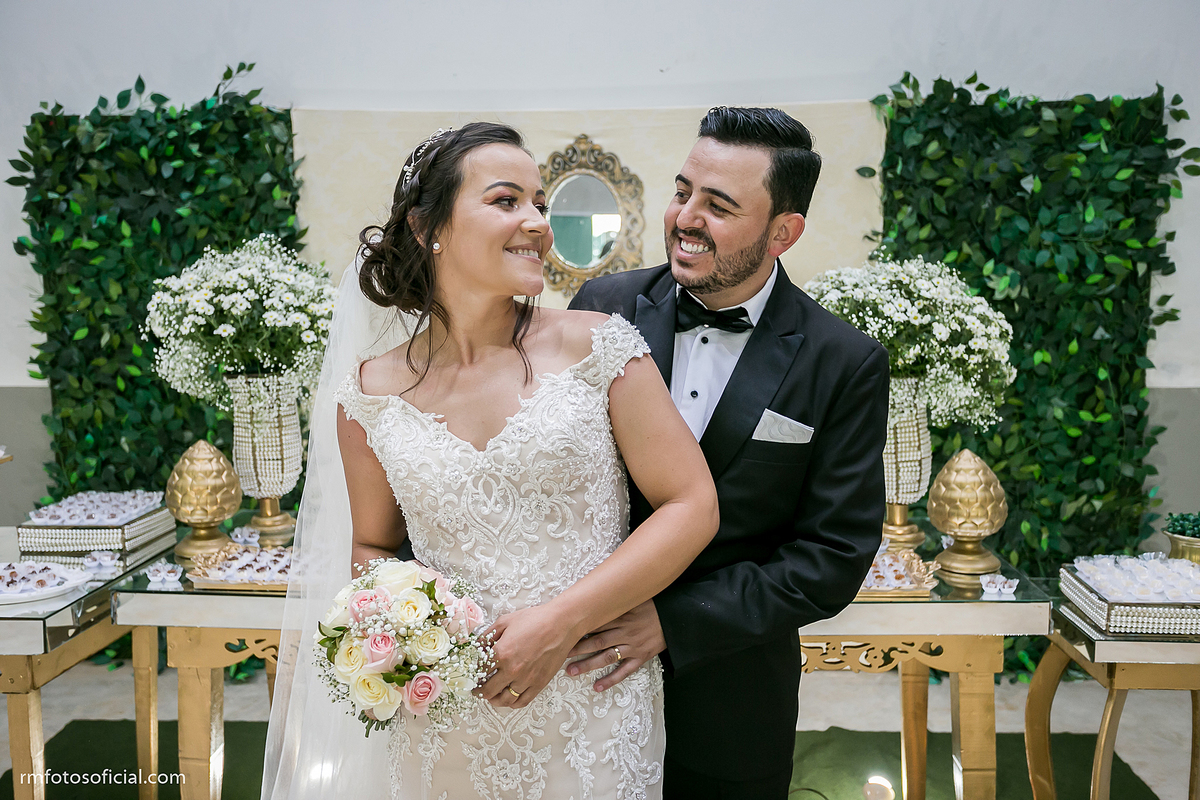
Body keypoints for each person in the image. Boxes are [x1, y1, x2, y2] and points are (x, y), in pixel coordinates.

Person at [261, 122, 719, 800]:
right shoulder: (368, 395)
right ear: (428, 228)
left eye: (540, 203)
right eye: (507, 201)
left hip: (591, 708)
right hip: (447, 716)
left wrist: (562, 622)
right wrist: (415, 636)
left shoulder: (598, 347)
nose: (537, 222)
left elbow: (692, 505)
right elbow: (373, 546)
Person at [567, 106, 890, 799]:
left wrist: (674, 622)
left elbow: (831, 556)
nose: (685, 218)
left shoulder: (843, 361)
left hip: (732, 702)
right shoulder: (601, 306)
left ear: (783, 232)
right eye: (683, 192)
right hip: (579, 684)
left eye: (718, 206)